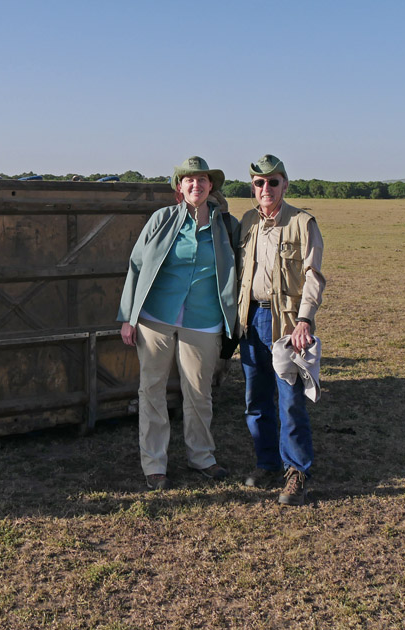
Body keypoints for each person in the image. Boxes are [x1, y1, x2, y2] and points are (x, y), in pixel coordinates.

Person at [117, 156, 238, 490]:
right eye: (188, 180)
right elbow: (137, 265)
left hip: (204, 319)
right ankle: (154, 463)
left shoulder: (226, 225)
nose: (195, 185)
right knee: (152, 389)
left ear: (211, 186)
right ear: (179, 188)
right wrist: (129, 317)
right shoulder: (162, 219)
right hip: (156, 317)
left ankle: (202, 457)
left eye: (201, 180)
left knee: (199, 392)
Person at [237, 154, 326, 506]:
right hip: (250, 320)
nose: (266, 188)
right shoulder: (246, 222)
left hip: (287, 324)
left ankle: (296, 471)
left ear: (285, 184)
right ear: (253, 187)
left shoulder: (303, 222)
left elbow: (313, 276)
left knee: (290, 402)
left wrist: (304, 320)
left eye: (273, 181)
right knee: (255, 399)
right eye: (259, 182)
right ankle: (267, 463)